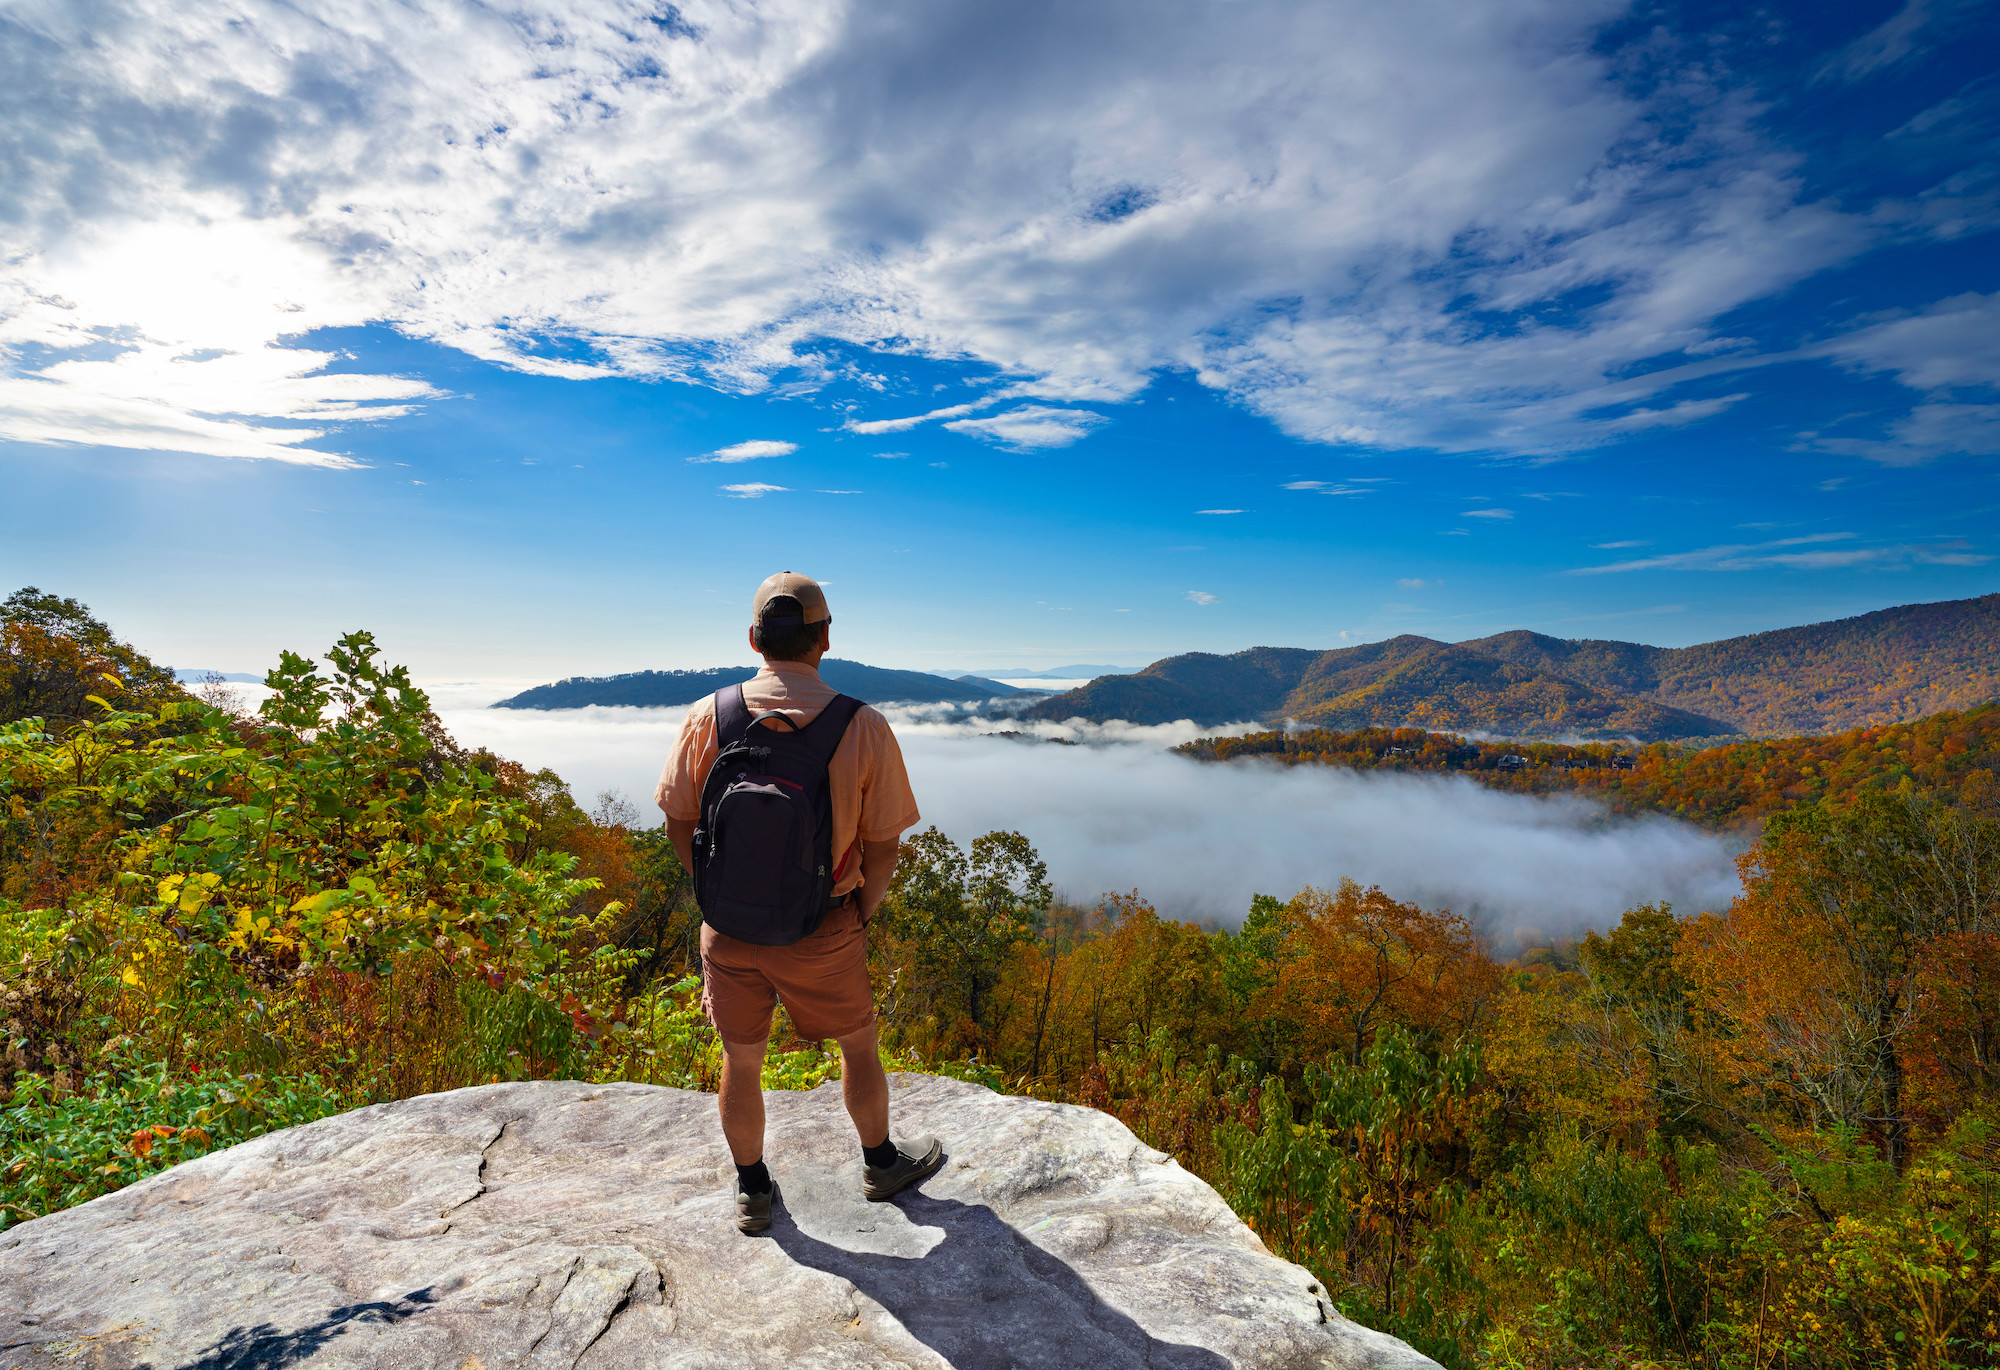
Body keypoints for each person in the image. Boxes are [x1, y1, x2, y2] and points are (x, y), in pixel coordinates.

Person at [655, 571, 943, 1233]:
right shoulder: (861, 725)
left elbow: (677, 819)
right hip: (825, 924)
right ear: (825, 638)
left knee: (742, 1058)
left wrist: (717, 890)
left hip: (728, 930)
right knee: (859, 1045)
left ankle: (753, 1191)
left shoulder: (709, 715)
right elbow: (884, 845)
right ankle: (879, 1164)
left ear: (755, 638)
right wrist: (859, 912)